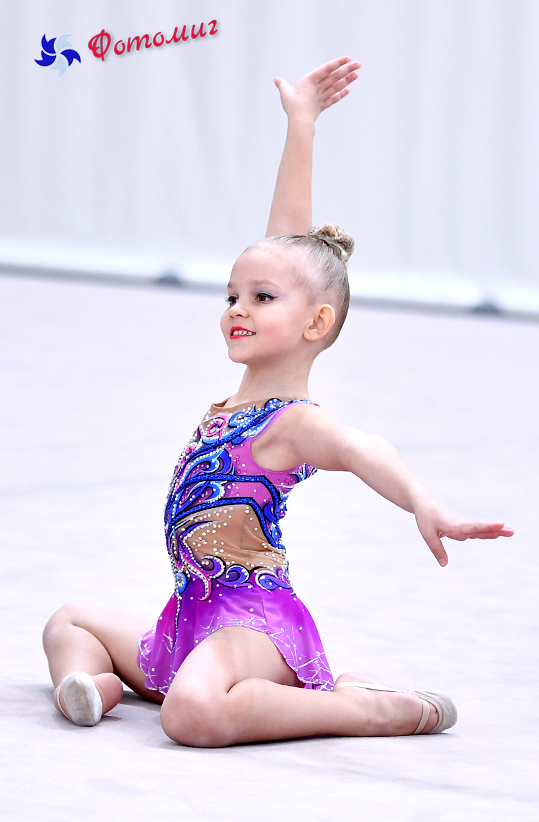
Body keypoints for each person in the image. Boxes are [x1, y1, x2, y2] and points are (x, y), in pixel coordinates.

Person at [43, 57, 513, 746]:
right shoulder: (239, 397)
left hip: (253, 626)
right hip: (189, 619)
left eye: (260, 299)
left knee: (190, 715)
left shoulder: (292, 423)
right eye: (232, 295)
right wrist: (301, 125)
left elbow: (361, 447)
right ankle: (93, 687)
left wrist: (422, 500)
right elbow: (287, 250)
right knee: (68, 621)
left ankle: (364, 707)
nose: (238, 307)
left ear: (314, 324)